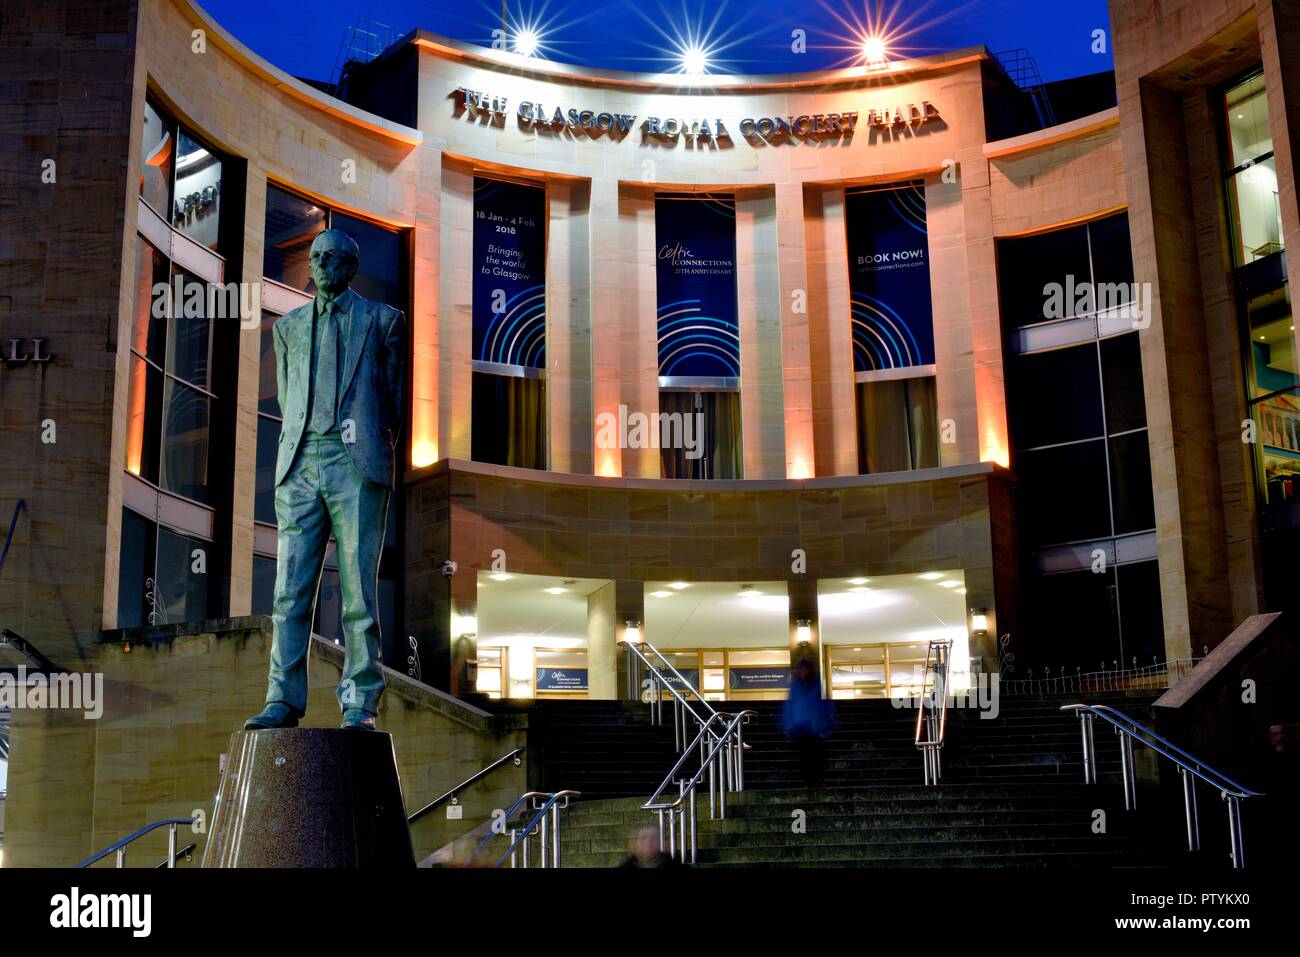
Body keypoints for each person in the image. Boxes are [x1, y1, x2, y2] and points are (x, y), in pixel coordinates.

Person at [244, 229, 405, 732]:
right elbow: (290, 398)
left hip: (353, 460)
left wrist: (367, 443)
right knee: (289, 592)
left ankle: (359, 701)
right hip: (299, 464)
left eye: (330, 258)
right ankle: (282, 699)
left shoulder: (382, 321)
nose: (319, 265)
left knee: (358, 590)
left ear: (350, 266)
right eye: (314, 257)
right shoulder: (287, 327)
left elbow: (393, 402)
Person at [782, 656, 836, 788]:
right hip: (800, 727)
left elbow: (825, 704)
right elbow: (790, 705)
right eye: (800, 669)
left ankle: (815, 781)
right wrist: (788, 723)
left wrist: (830, 720)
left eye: (804, 669)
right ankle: (810, 782)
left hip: (815, 727)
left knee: (815, 756)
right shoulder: (795, 686)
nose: (802, 672)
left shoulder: (816, 684)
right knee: (805, 756)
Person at [617, 826, 683, 868]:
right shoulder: (626, 866)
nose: (648, 843)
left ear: (663, 843)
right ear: (635, 844)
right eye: (643, 838)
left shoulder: (674, 863)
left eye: (654, 838)